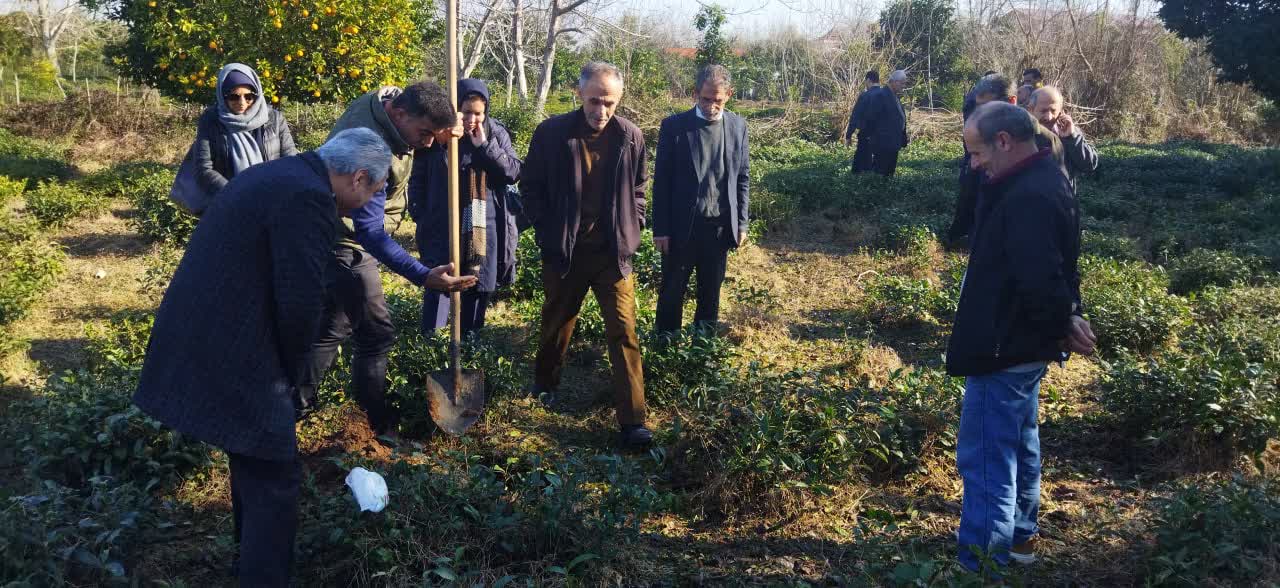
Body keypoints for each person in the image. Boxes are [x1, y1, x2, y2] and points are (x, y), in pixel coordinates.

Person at [133, 128, 392, 586]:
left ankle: (247, 564)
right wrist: (290, 377)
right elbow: (299, 300)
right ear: (356, 177)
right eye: (374, 190)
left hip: (209, 331)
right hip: (237, 348)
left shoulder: (279, 174)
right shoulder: (309, 198)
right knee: (275, 479)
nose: (368, 202)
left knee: (252, 463)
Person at [947, 102, 1097, 572]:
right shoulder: (1040, 179)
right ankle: (1019, 539)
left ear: (1004, 142)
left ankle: (981, 566)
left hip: (1003, 346)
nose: (974, 164)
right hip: (1023, 345)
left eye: (976, 154)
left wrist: (1061, 318)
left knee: (988, 459)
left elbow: (1041, 277)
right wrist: (1066, 317)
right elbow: (1055, 270)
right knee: (1020, 443)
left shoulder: (1027, 196)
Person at [298, 81, 477, 439]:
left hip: (328, 229)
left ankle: (293, 406)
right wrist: (423, 275)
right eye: (424, 133)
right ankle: (377, 425)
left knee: (333, 327)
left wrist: (441, 132)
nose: (426, 142)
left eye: (433, 135)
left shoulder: (386, 102)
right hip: (345, 241)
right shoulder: (370, 148)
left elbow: (411, 104)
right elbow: (370, 233)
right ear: (397, 114)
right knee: (377, 335)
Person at [522, 61, 652, 449]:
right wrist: (548, 230)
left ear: (619, 100)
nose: (601, 111)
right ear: (578, 94)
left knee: (624, 331)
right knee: (557, 322)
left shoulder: (631, 137)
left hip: (612, 255)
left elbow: (640, 188)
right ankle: (545, 385)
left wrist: (634, 225)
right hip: (566, 251)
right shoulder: (551, 134)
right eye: (594, 101)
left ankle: (633, 420)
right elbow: (530, 187)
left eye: (609, 103)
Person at [410, 79, 522, 336]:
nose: (472, 119)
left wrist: (485, 146)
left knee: (477, 285)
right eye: (466, 111)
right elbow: (418, 174)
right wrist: (420, 213)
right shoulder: (439, 132)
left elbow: (513, 172)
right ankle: (431, 352)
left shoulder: (494, 133)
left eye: (478, 113)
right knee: (440, 286)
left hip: (483, 226)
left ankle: (471, 348)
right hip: (442, 223)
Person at [652, 64, 751, 335]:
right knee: (672, 290)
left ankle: (702, 350)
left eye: (717, 100)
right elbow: (662, 182)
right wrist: (660, 229)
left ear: (729, 94)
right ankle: (665, 345)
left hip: (718, 228)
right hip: (682, 227)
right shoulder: (674, 127)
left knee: (710, 292)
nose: (711, 105)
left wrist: (741, 224)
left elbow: (742, 178)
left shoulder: (738, 127)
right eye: (705, 98)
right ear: (695, 93)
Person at [192, 63, 297, 200]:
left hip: (273, 200)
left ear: (257, 94)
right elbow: (203, 169)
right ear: (223, 96)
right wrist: (236, 194)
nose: (242, 102)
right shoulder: (211, 121)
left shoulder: (274, 119)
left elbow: (290, 160)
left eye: (248, 96)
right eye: (234, 96)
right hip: (230, 203)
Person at [1029, 86, 1099, 192]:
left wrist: (1071, 138)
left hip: (1065, 203)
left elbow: (1089, 165)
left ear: (1061, 111)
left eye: (1053, 111)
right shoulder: (1023, 135)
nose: (1048, 117)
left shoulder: (1069, 131)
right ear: (1031, 109)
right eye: (1043, 111)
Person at [860, 69, 910, 176]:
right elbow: (871, 118)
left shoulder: (894, 96)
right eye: (903, 83)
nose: (904, 86)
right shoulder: (881, 95)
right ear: (895, 82)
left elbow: (897, 118)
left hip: (893, 143)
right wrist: (870, 137)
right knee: (880, 174)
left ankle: (885, 191)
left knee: (889, 174)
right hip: (883, 143)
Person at [844, 70, 881, 173]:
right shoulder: (886, 95)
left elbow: (855, 117)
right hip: (883, 136)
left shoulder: (865, 96)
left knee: (859, 166)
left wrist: (848, 135)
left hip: (866, 134)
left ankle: (859, 184)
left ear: (868, 80)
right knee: (879, 166)